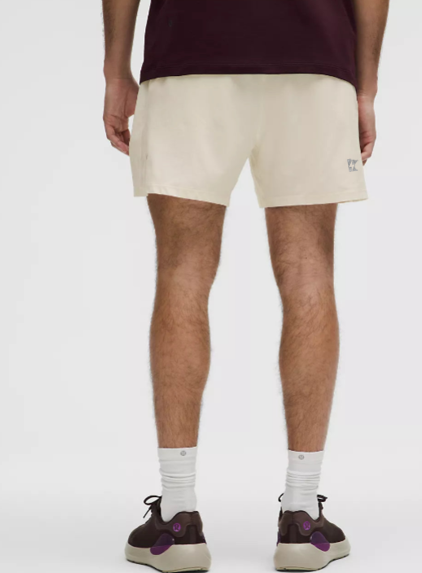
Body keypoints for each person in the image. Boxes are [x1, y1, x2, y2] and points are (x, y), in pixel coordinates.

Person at [102, 1, 389, 570]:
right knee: (309, 268)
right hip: (313, 62)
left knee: (183, 270)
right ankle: (302, 517)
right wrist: (365, 87)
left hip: (190, 55)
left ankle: (178, 520)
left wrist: (115, 70)